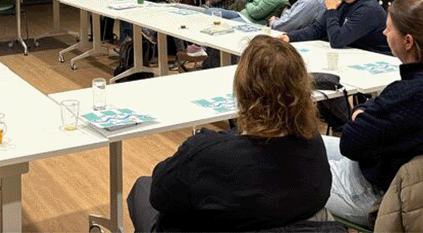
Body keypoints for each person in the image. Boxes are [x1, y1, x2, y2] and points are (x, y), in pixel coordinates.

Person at [127, 36, 331, 232]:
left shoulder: (208, 154)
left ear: (243, 90)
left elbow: (160, 196)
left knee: (142, 188)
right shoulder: (313, 142)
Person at [324, 0, 423, 224]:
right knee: (305, 143)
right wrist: (362, 115)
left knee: (289, 164)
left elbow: (350, 143)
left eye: (389, 28)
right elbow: (370, 116)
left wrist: (359, 115)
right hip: (383, 173)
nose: (384, 33)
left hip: (375, 196)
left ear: (408, 41)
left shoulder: (411, 94)